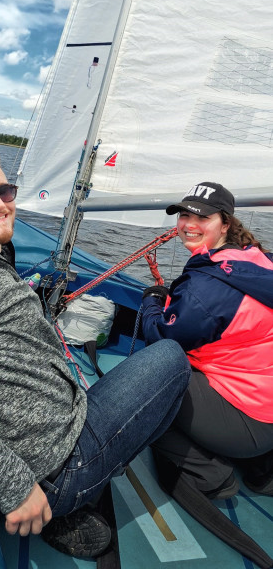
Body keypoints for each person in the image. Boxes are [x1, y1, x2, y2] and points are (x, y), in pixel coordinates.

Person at [0, 148, 190, 559]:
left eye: (5, 191)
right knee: (171, 358)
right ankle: (82, 496)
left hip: (52, 433)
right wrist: (16, 483)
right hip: (57, 467)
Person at [142, 181, 273, 500]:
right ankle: (263, 471)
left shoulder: (206, 291)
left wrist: (152, 302)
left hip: (249, 424)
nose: (189, 225)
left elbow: (162, 336)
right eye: (184, 215)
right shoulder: (259, 260)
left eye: (203, 218)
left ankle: (211, 476)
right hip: (264, 408)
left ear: (226, 223)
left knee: (147, 380)